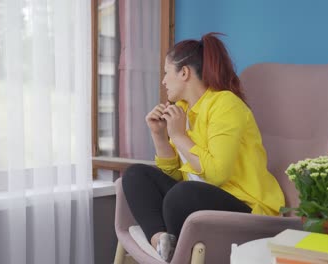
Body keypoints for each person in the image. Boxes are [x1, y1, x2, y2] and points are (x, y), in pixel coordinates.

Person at [121, 32, 285, 262]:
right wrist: (159, 135)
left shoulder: (225, 104)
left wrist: (178, 136)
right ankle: (162, 242)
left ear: (184, 73)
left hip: (245, 207)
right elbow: (177, 174)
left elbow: (217, 174)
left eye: (166, 72)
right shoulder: (182, 109)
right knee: (136, 175)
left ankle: (175, 247)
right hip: (198, 199)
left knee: (181, 195)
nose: (163, 81)